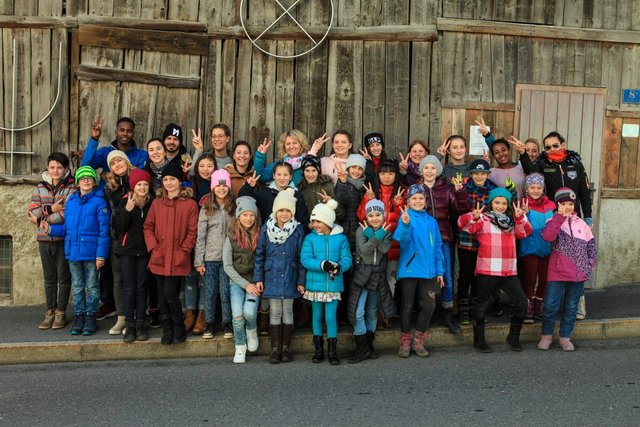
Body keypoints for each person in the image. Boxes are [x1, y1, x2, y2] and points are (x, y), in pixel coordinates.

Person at [515, 131, 593, 319]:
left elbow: (584, 192)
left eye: (555, 145)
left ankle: (577, 305)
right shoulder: (543, 164)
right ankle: (543, 305)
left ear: (563, 144)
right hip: (553, 218)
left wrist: (588, 218)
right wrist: (523, 153)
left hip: (574, 220)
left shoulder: (576, 163)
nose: (551, 150)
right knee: (555, 265)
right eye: (547, 147)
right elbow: (531, 173)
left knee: (576, 261)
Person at [458, 188, 532, 353]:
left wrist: (520, 216)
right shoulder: (483, 219)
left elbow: (526, 232)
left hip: (508, 270)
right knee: (482, 304)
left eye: (504, 203)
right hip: (488, 269)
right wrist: (472, 216)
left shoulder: (513, 221)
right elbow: (462, 225)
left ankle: (513, 337)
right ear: (491, 203)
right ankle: (479, 340)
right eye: (497, 202)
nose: (500, 206)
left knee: (521, 302)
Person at [41, 166, 110, 336]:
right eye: (82, 178)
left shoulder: (100, 202)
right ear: (78, 182)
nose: (86, 181)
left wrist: (101, 255)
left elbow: (104, 231)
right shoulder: (71, 202)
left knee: (92, 287)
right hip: (73, 252)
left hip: (92, 253)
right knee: (78, 286)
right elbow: (67, 228)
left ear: (94, 182)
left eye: (89, 178)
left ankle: (90, 316)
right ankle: (79, 316)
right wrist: (50, 230)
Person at [143, 162, 198, 345]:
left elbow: (192, 231)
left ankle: (178, 327)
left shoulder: (189, 204)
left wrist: (184, 250)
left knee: (170, 294)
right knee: (161, 295)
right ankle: (167, 329)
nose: (168, 183)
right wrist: (153, 247)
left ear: (179, 181)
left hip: (177, 258)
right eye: (165, 179)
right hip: (159, 256)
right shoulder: (157, 203)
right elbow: (148, 227)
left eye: (172, 179)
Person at [538, 188, 596, 351]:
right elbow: (548, 237)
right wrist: (559, 218)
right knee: (550, 305)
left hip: (578, 274)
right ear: (557, 205)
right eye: (564, 204)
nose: (568, 207)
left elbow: (591, 243)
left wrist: (590, 262)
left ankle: (565, 337)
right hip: (557, 273)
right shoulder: (552, 221)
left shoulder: (582, 224)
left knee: (571, 306)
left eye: (570, 204)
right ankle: (546, 336)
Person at [253, 189, 306, 364]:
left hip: (290, 276)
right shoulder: (266, 229)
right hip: (272, 276)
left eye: (288, 211)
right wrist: (258, 278)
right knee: (275, 312)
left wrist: (300, 281)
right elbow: (260, 255)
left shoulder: (297, 229)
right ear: (275, 211)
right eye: (281, 210)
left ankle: (286, 348)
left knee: (288, 312)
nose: (284, 214)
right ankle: (275, 348)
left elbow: (300, 257)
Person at [394, 184, 445, 358]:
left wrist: (440, 271)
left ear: (425, 201)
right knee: (407, 306)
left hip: (429, 271)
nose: (417, 201)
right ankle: (405, 339)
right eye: (414, 198)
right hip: (410, 269)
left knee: (429, 305)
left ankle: (418, 338)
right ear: (408, 202)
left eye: (420, 198)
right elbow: (400, 239)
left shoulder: (432, 221)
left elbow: (438, 246)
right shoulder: (406, 217)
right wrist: (405, 224)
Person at [419, 155, 468, 335]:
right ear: (421, 171)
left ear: (438, 170)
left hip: (444, 238)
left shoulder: (446, 189)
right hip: (424, 241)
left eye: (433, 168)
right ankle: (427, 311)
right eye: (426, 168)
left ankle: (447, 312)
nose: (430, 171)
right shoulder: (417, 189)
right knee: (426, 276)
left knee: (446, 274)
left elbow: (462, 209)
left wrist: (460, 192)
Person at [28, 152, 77, 330]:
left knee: (64, 278)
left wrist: (42, 218)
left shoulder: (72, 188)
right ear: (48, 168)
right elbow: (32, 212)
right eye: (52, 167)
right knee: (49, 278)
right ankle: (49, 311)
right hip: (44, 240)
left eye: (59, 167)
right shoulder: (40, 187)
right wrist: (51, 208)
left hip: (63, 239)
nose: (55, 170)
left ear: (65, 169)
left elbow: (67, 214)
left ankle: (60, 312)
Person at [301, 200, 352, 365]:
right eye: (313, 221)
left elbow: (347, 259)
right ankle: (318, 350)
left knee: (330, 317)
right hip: (315, 285)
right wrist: (322, 264)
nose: (314, 224)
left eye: (318, 221)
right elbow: (306, 259)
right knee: (316, 317)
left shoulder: (341, 239)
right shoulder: (310, 238)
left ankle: (332, 350)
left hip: (333, 285)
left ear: (328, 221)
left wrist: (340, 267)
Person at [348, 199, 395, 363]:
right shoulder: (361, 230)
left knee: (372, 311)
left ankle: (369, 347)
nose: (375, 218)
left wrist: (376, 236)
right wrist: (374, 236)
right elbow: (365, 250)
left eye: (378, 215)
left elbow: (384, 249)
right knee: (358, 312)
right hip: (363, 275)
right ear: (367, 217)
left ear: (383, 216)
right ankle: (362, 349)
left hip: (377, 276)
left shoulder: (387, 231)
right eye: (371, 215)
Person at [112, 169, 153, 342]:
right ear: (133, 186)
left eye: (145, 184)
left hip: (144, 251)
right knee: (129, 288)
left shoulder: (153, 203)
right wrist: (127, 210)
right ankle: (129, 325)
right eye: (139, 185)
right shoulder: (125, 202)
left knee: (142, 288)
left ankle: (140, 324)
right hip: (127, 252)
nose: (142, 188)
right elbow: (118, 227)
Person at [194, 169, 235, 339]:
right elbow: (201, 236)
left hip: (228, 259)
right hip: (210, 258)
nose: (221, 188)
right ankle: (209, 324)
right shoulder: (206, 209)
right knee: (210, 292)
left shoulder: (234, 207)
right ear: (213, 187)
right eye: (218, 185)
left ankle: (227, 323)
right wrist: (199, 261)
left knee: (225, 292)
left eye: (224, 185)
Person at [356, 160, 405, 299]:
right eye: (383, 173)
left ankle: (386, 315)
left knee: (390, 279)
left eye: (391, 173)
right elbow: (361, 216)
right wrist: (367, 199)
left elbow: (404, 220)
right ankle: (374, 315)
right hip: (373, 245)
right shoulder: (372, 190)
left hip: (392, 243)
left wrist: (398, 204)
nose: (387, 177)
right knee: (373, 280)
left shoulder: (402, 191)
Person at [223, 196, 262, 363]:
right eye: (245, 215)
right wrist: (245, 285)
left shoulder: (261, 235)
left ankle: (252, 330)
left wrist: (254, 283)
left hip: (254, 280)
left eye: (251, 215)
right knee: (238, 316)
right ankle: (240, 345)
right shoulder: (231, 236)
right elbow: (227, 266)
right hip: (237, 281)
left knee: (249, 312)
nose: (248, 218)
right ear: (238, 216)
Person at [102, 150, 136, 335]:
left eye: (119, 160)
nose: (117, 164)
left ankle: (138, 315)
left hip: (136, 236)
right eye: (113, 163)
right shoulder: (110, 188)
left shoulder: (138, 179)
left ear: (126, 161)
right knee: (119, 278)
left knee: (137, 278)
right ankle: (122, 316)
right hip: (117, 237)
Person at [519, 173, 555, 323]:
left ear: (543, 189)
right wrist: (523, 214)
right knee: (530, 278)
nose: (535, 190)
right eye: (532, 187)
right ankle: (528, 305)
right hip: (530, 248)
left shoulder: (551, 205)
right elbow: (519, 225)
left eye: (539, 187)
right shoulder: (522, 204)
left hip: (547, 248)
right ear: (526, 189)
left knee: (544, 279)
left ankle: (539, 305)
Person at [238, 161, 309, 229]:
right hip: (267, 236)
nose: (282, 178)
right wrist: (249, 186)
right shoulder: (264, 193)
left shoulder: (297, 195)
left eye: (285, 175)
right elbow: (244, 200)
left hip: (291, 237)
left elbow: (303, 221)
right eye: (278, 174)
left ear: (290, 177)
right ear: (274, 176)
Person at [81, 115, 148, 180]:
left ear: (133, 134)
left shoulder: (141, 155)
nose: (125, 133)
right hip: (104, 191)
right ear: (116, 132)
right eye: (122, 130)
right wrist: (94, 139)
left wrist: (111, 177)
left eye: (129, 131)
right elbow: (86, 166)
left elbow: (139, 178)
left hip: (129, 191)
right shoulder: (105, 152)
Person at [298, 154, 344, 221]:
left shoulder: (327, 186)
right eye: (307, 171)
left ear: (318, 171)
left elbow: (341, 214)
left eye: (314, 170)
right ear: (303, 172)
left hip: (329, 227)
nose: (310, 174)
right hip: (310, 229)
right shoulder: (301, 189)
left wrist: (331, 202)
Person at [335, 153, 367, 249]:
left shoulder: (365, 186)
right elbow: (342, 199)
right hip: (346, 229)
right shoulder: (343, 182)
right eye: (353, 167)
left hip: (361, 230)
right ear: (348, 168)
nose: (356, 171)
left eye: (360, 168)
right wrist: (343, 182)